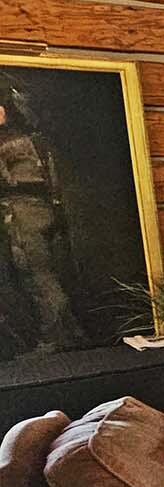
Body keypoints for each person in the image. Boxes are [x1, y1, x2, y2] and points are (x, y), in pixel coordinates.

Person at [0, 72, 83, 359]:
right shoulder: (36, 141)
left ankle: (57, 336)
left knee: (36, 275)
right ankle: (68, 332)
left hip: (24, 213)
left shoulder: (12, 144)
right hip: (39, 211)